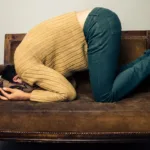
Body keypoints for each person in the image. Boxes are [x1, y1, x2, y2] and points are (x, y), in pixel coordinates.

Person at [0, 7, 150, 102]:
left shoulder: (24, 67)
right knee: (109, 81)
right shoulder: (25, 56)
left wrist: (26, 96)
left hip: (97, 27)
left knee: (104, 95)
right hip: (100, 21)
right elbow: (71, 84)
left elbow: (68, 93)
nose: (21, 91)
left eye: (16, 88)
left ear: (17, 78)